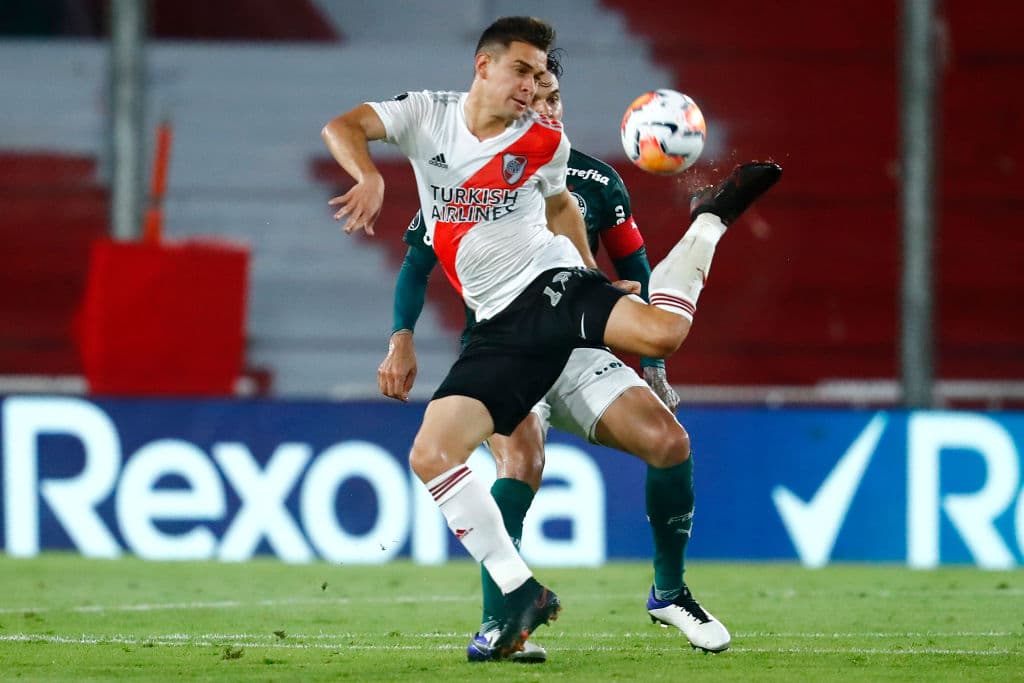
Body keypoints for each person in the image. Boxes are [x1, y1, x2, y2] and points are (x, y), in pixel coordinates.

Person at [322, 15, 781, 659]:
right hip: (497, 328)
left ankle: (708, 221)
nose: (535, 88)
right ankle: (518, 597)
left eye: (544, 77)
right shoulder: (426, 116)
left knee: (663, 340)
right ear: (484, 66)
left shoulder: (543, 139)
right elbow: (342, 127)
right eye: (524, 71)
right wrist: (368, 174)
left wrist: (592, 285)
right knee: (432, 454)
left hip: (552, 287)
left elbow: (562, 207)